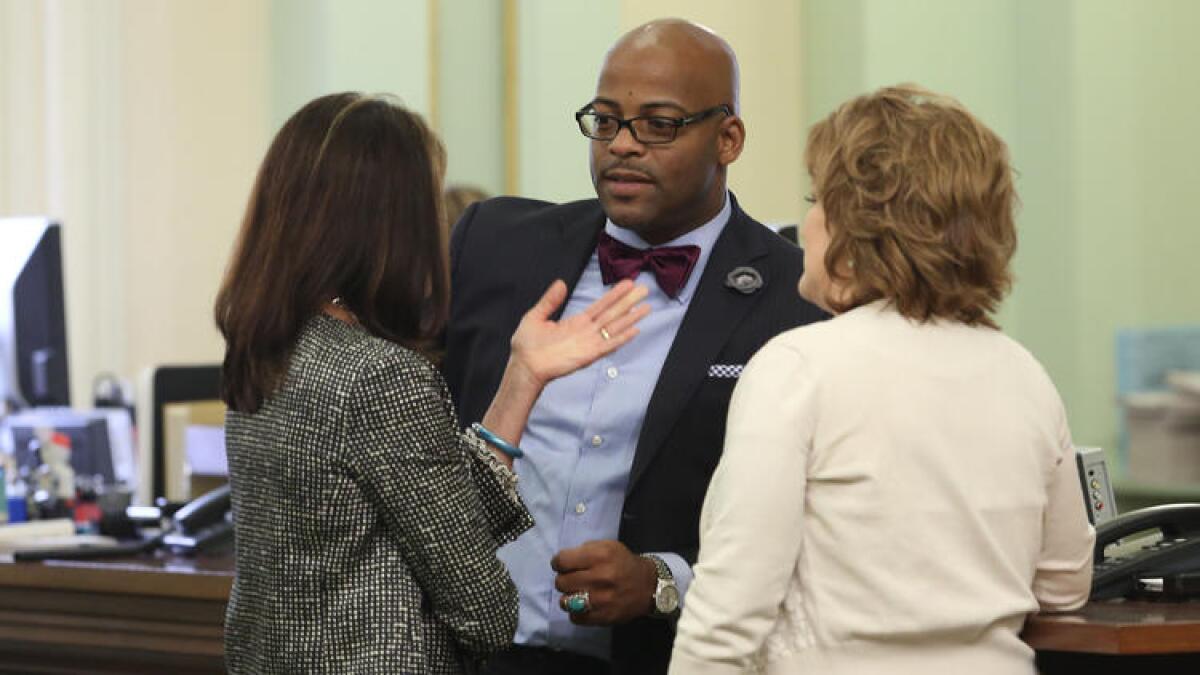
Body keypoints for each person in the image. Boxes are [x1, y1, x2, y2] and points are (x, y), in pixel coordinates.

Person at [215, 92, 650, 674]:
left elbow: (428, 512)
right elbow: (488, 610)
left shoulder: (267, 349)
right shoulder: (383, 377)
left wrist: (522, 378)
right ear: (396, 222)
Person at [442, 19, 827, 675]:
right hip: (474, 653)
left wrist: (662, 579)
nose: (622, 145)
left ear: (728, 137)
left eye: (659, 124)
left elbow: (815, 537)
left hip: (658, 656)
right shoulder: (497, 245)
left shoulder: (795, 298)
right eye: (606, 120)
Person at [669, 85, 1095, 674]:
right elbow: (1065, 585)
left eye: (817, 199)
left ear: (855, 227)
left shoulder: (798, 367)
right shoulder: (1025, 375)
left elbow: (725, 619)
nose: (806, 223)